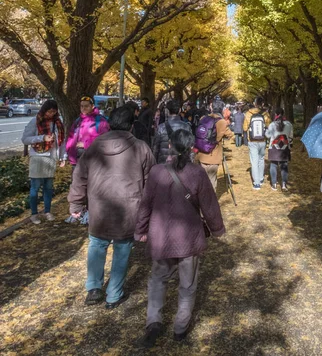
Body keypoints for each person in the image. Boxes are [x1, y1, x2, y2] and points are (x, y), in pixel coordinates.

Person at [135, 128, 225, 347]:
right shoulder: (197, 173)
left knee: (158, 280)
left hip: (161, 236)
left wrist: (140, 230)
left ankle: (154, 323)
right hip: (189, 238)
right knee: (188, 285)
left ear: (169, 146)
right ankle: (180, 328)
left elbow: (145, 204)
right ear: (192, 149)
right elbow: (209, 205)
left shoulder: (156, 172)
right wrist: (217, 229)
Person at [68, 106, 155, 308]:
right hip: (129, 207)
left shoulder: (95, 146)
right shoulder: (141, 147)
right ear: (132, 126)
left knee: (97, 245)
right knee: (122, 249)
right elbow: (151, 181)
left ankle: (93, 288)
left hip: (99, 206)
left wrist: (76, 202)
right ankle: (114, 294)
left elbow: (80, 176)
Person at [21, 100, 66, 224]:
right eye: (49, 111)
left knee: (48, 187)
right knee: (35, 187)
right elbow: (25, 139)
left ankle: (47, 211)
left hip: (51, 157)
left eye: (54, 111)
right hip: (37, 157)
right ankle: (34, 214)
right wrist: (42, 138)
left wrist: (62, 157)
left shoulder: (58, 123)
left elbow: (61, 142)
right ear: (44, 110)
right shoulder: (36, 121)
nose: (51, 114)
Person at [66, 96, 110, 176]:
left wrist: (85, 144)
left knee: (90, 187)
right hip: (76, 161)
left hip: (93, 161)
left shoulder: (101, 121)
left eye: (86, 106)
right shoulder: (78, 120)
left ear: (92, 106)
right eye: (82, 106)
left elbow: (104, 141)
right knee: (76, 187)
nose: (83, 108)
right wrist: (69, 152)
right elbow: (71, 137)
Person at [195, 100, 233, 190]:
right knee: (211, 182)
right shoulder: (222, 122)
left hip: (201, 154)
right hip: (214, 155)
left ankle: (202, 201)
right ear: (222, 110)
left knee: (202, 181)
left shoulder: (203, 118)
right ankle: (210, 202)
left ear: (211, 108)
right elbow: (230, 135)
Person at [243, 97, 272, 190]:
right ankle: (261, 178)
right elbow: (269, 126)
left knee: (254, 161)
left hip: (252, 141)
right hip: (262, 140)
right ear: (262, 104)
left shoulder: (248, 114)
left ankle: (256, 183)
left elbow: (244, 128)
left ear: (254, 103)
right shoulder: (265, 114)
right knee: (261, 159)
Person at [153, 99, 192, 164]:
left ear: (167, 111)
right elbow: (190, 147)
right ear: (179, 110)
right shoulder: (186, 127)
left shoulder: (161, 127)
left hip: (164, 163)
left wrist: (155, 164)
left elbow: (156, 148)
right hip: (181, 164)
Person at [265, 108, 293, 191]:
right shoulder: (289, 124)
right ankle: (284, 184)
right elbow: (291, 136)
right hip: (284, 147)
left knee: (273, 165)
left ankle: (274, 184)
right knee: (284, 165)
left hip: (274, 147)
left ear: (275, 114)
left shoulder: (272, 124)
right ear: (283, 114)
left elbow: (267, 135)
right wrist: (290, 145)